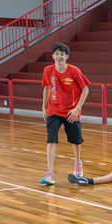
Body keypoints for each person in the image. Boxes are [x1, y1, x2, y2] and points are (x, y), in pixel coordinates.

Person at [40, 43, 89, 185]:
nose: (59, 56)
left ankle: (78, 164)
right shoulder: (48, 70)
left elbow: (85, 90)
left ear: (66, 56)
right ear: (53, 56)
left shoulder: (74, 71)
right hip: (53, 109)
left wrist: (77, 109)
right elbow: (46, 88)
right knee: (51, 139)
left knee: (75, 139)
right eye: (56, 54)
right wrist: (43, 107)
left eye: (62, 54)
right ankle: (50, 173)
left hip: (71, 111)